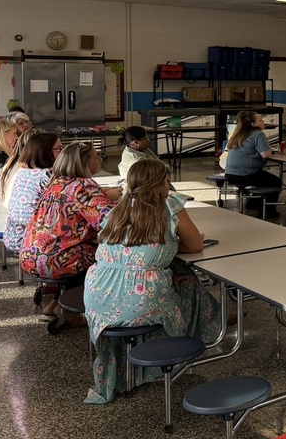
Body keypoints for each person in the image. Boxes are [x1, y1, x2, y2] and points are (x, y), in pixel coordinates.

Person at [83, 159, 221, 404]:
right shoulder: (169, 206)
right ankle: (172, 359)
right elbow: (195, 245)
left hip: (99, 295)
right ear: (160, 184)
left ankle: (132, 367)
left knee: (164, 287)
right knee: (189, 286)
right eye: (166, 180)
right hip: (140, 298)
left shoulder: (117, 209)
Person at [20, 142, 120, 328]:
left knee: (76, 249)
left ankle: (57, 304)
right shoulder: (83, 186)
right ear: (83, 163)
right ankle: (71, 311)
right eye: (96, 156)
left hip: (30, 255)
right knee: (108, 258)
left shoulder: (56, 183)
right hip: (55, 260)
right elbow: (111, 220)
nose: (100, 159)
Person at [2, 133, 62, 256]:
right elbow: (67, 202)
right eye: (59, 149)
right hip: (32, 241)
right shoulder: (47, 175)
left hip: (13, 237)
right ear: (45, 152)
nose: (62, 153)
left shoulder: (24, 172)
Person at [223, 110, 281, 219]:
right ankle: (268, 211)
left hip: (230, 174)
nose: (263, 121)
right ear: (253, 124)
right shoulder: (258, 134)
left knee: (261, 178)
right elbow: (266, 154)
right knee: (275, 181)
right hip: (245, 174)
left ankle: (253, 203)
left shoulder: (238, 134)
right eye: (260, 120)